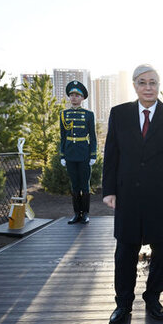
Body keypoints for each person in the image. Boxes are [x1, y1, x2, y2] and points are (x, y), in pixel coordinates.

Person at [102, 64, 163, 324]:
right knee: (125, 252)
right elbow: (112, 154)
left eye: (153, 82)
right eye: (142, 82)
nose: (148, 87)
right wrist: (109, 190)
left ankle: (153, 298)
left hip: (162, 197)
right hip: (127, 195)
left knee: (161, 251)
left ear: (158, 85)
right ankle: (123, 303)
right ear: (134, 85)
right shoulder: (119, 114)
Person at [60, 80, 97, 224]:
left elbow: (92, 137)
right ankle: (77, 213)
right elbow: (62, 137)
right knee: (74, 185)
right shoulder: (64, 114)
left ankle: (86, 213)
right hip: (70, 154)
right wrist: (62, 155)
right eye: (72, 95)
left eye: (77, 95)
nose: (74, 97)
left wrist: (92, 155)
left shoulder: (88, 114)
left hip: (84, 154)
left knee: (85, 185)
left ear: (82, 98)